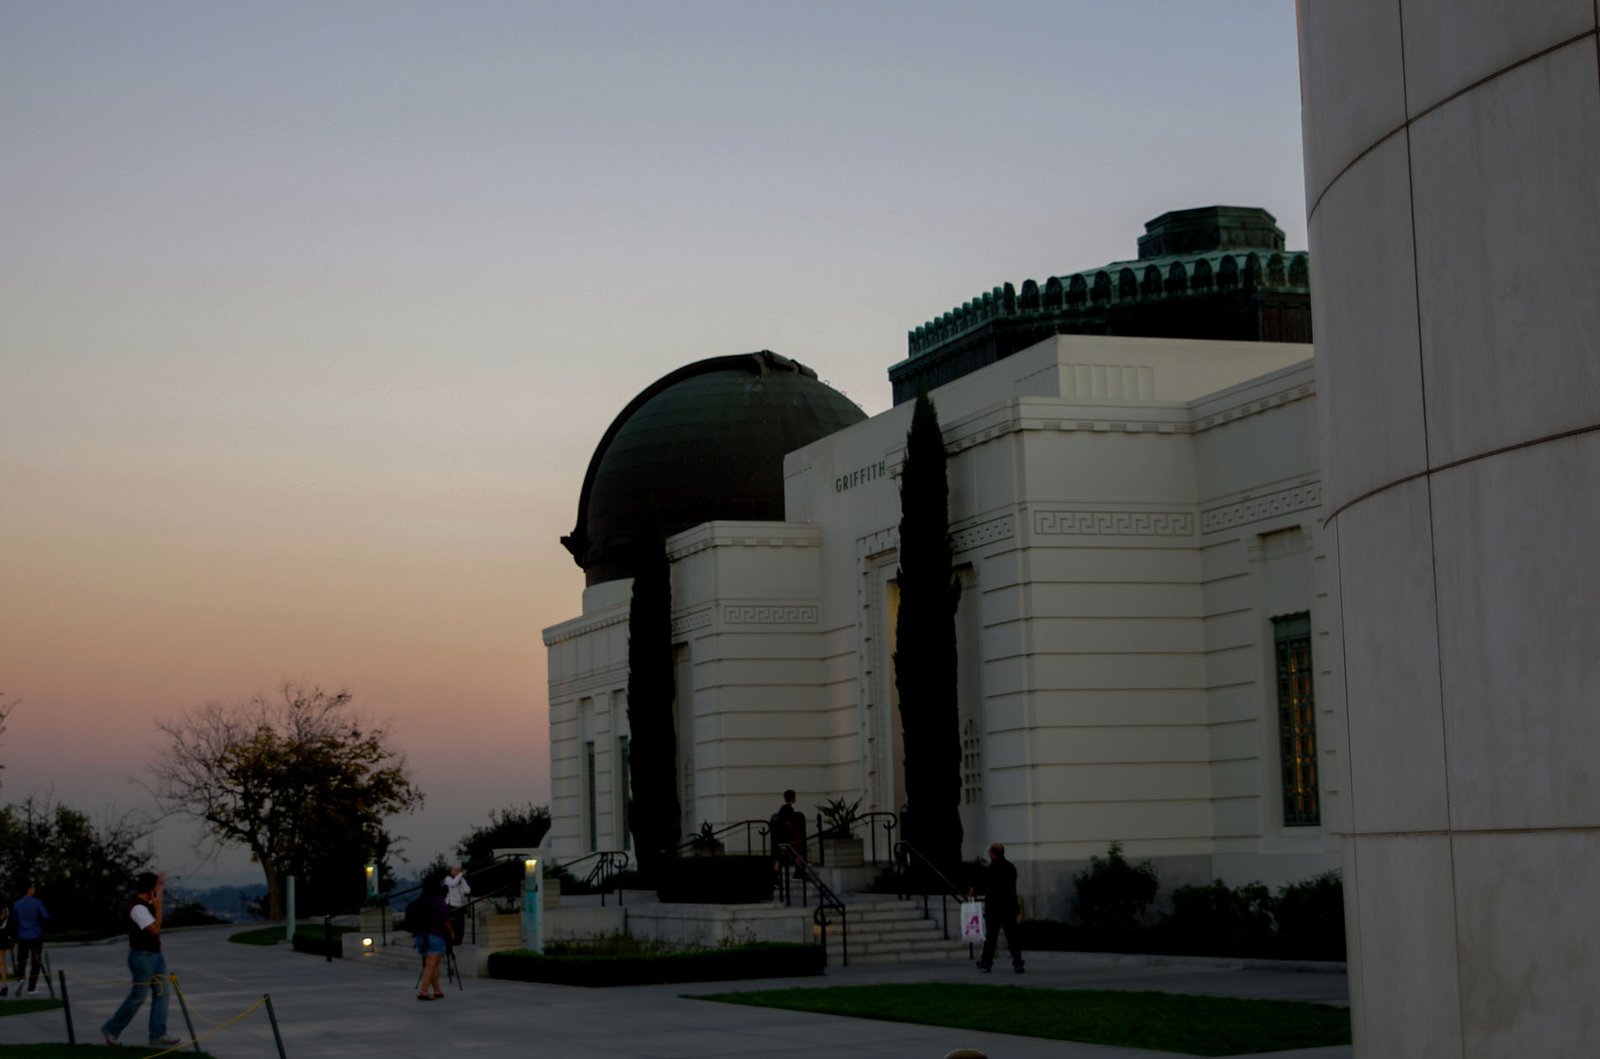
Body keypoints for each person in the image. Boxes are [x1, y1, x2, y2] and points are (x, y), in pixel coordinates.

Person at [101, 871, 182, 1047]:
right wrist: (160, 907)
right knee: (138, 997)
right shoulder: (138, 908)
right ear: (149, 890)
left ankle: (158, 1034)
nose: (159, 892)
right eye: (156, 888)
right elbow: (154, 930)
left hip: (156, 956)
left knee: (162, 993)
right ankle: (112, 1029)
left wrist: (160, 883)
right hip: (142, 957)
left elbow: (157, 894)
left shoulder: (147, 901)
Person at [974, 842, 1025, 974]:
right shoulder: (1011, 868)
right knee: (1013, 937)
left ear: (992, 854)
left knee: (991, 938)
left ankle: (986, 964)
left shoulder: (991, 870)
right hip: (1009, 908)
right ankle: (1018, 963)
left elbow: (984, 887)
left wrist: (974, 891)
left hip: (994, 910)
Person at [410, 881, 452, 1001]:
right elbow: (446, 918)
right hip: (435, 935)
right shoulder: (438, 900)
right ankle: (423, 991)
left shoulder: (421, 900)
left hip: (421, 936)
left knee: (433, 964)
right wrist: (451, 932)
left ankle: (437, 990)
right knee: (431, 965)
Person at [11, 882, 49, 994]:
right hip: (36, 935)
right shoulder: (37, 902)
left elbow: (15, 921)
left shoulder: (17, 904)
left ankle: (20, 979)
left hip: (23, 936)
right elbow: (45, 916)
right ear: (29, 889)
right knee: (35, 961)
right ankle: (31, 987)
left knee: (21, 960)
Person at [772, 789, 807, 877]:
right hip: (786, 838)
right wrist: (795, 835)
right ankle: (798, 872)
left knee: (780, 858)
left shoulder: (782, 809)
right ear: (792, 798)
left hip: (779, 838)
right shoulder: (788, 809)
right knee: (798, 851)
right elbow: (788, 823)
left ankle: (776, 878)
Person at [442, 865, 471, 943]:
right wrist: (460, 875)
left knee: (461, 925)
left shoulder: (461, 879)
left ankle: (459, 941)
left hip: (460, 905)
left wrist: (461, 883)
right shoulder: (448, 878)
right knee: (454, 924)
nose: (454, 872)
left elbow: (468, 890)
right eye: (453, 870)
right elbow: (452, 884)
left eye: (456, 870)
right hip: (452, 905)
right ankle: (452, 940)